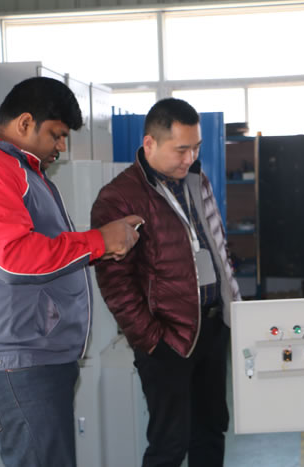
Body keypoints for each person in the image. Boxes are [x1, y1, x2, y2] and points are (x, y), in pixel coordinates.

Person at [0, 76, 143, 467]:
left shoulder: (19, 171)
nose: (61, 147)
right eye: (56, 135)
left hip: (32, 361)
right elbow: (12, 258)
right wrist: (98, 241)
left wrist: (104, 247)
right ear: (24, 123)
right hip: (17, 367)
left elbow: (40, 253)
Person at [91, 97, 241, 467]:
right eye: (181, 149)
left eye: (196, 148)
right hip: (167, 338)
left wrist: (231, 310)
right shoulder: (119, 197)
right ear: (150, 143)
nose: (190, 158)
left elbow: (216, 245)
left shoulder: (197, 181)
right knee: (170, 443)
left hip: (212, 328)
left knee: (211, 430)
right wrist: (151, 340)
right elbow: (115, 283)